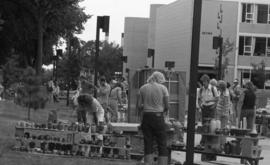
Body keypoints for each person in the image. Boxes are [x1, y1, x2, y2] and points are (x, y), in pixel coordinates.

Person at [137, 71, 169, 165]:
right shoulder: (163, 88)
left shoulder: (142, 88)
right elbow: (167, 106)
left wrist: (147, 106)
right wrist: (160, 109)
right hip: (158, 117)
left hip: (146, 117)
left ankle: (148, 163)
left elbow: (139, 106)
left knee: (148, 142)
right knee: (162, 142)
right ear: (159, 79)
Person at [198, 74, 218, 146]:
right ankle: (203, 140)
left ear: (208, 81)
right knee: (204, 124)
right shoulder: (201, 89)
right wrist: (200, 105)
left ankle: (209, 141)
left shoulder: (213, 88)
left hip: (211, 107)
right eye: (202, 82)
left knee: (211, 125)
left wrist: (212, 103)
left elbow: (217, 98)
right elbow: (199, 99)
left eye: (204, 81)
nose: (203, 83)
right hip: (204, 108)